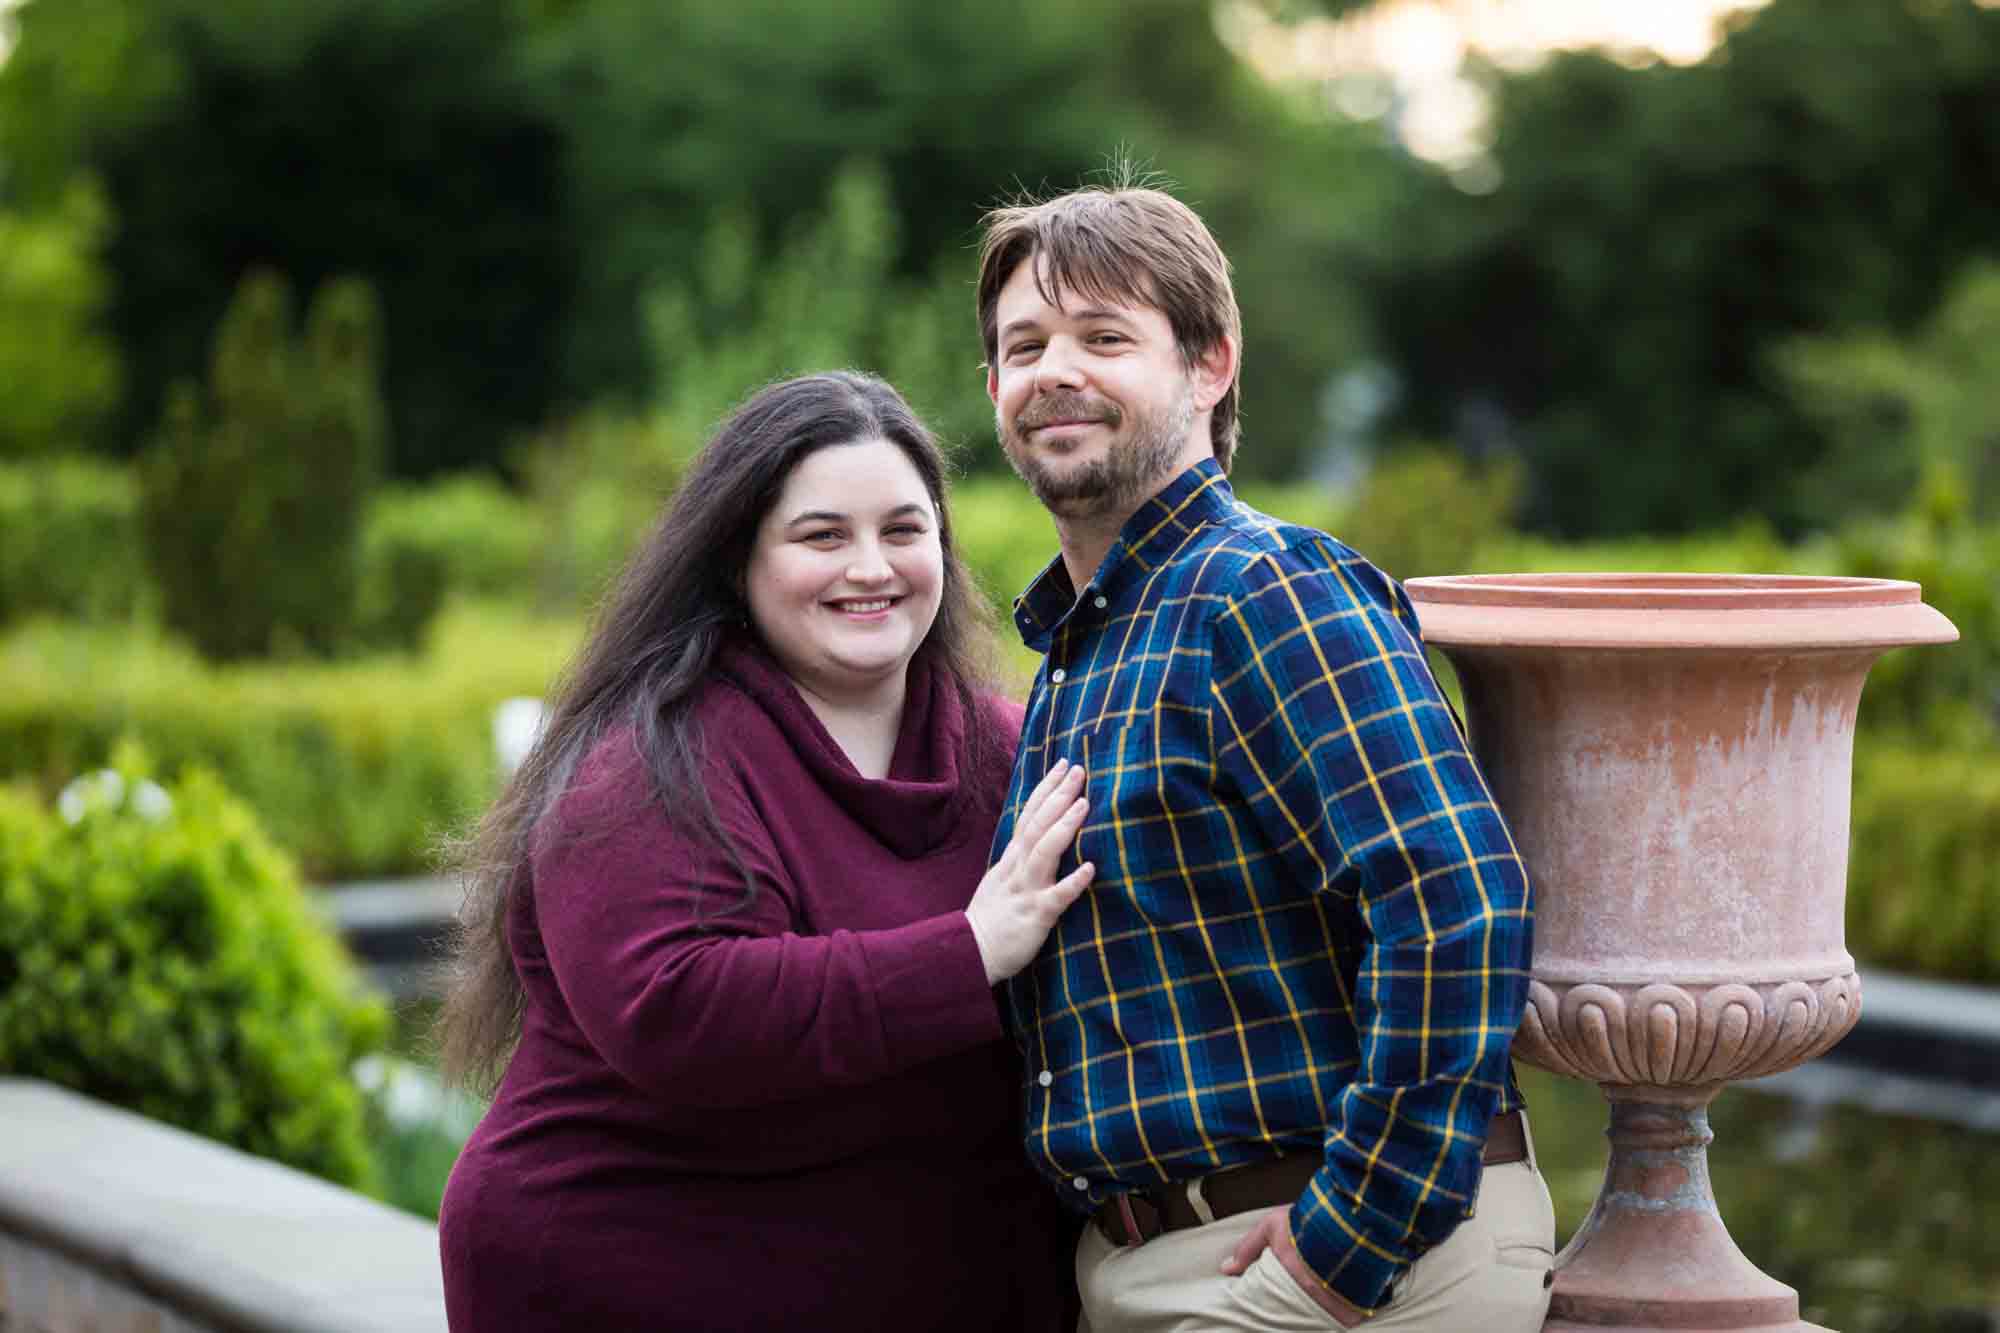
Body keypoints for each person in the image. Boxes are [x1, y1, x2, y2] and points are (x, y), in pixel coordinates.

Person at [975, 181, 1554, 1331]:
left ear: (1209, 365)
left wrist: (1343, 1250)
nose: (1053, 371)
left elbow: (1454, 904)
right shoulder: (1077, 655)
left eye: (1104, 337)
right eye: (1022, 344)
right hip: (1158, 1261)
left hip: (1341, 1268)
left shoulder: (1260, 591)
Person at [434, 371, 1092, 1331]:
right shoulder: (647, 763)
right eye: (823, 535)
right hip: (621, 1280)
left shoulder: (1013, 748)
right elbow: (678, 1009)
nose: (870, 566)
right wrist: (970, 950)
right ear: (737, 558)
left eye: (904, 531)